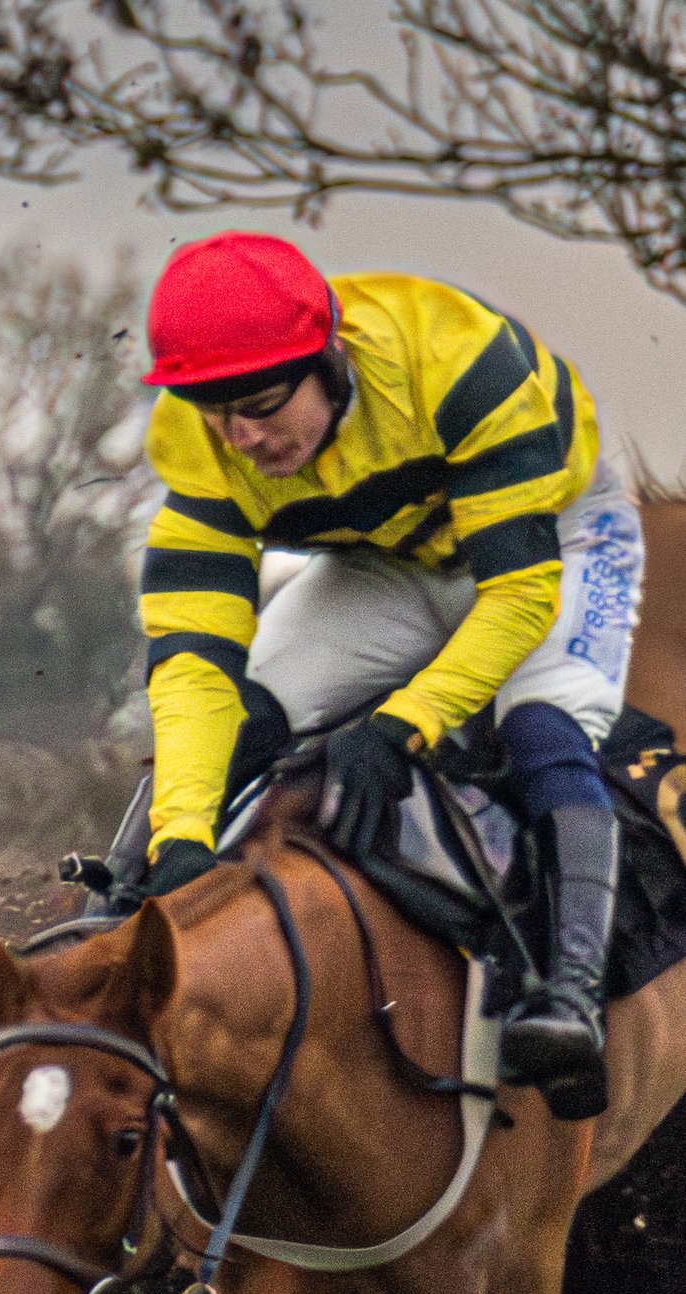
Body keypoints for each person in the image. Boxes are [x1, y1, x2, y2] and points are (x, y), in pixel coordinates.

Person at [134, 231, 645, 1104]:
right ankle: (117, 922)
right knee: (240, 726)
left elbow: (518, 599)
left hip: (556, 539)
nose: (242, 437)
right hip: (390, 562)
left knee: (540, 730)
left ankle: (571, 999)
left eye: (260, 402)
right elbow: (191, 671)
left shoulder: (458, 361)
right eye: (214, 409)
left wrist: (401, 722)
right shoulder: (200, 445)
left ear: (329, 358)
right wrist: (178, 839)